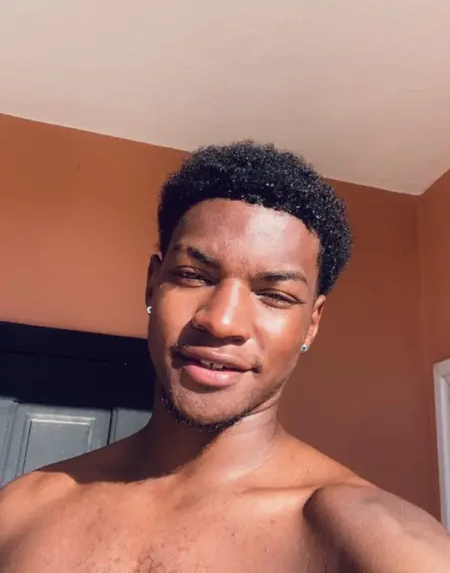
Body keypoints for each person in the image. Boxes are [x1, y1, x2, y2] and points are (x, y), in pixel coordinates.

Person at [0, 141, 449, 572]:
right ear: (152, 284)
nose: (222, 321)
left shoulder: (374, 540)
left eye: (275, 295)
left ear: (312, 323)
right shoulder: (21, 509)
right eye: (193, 275)